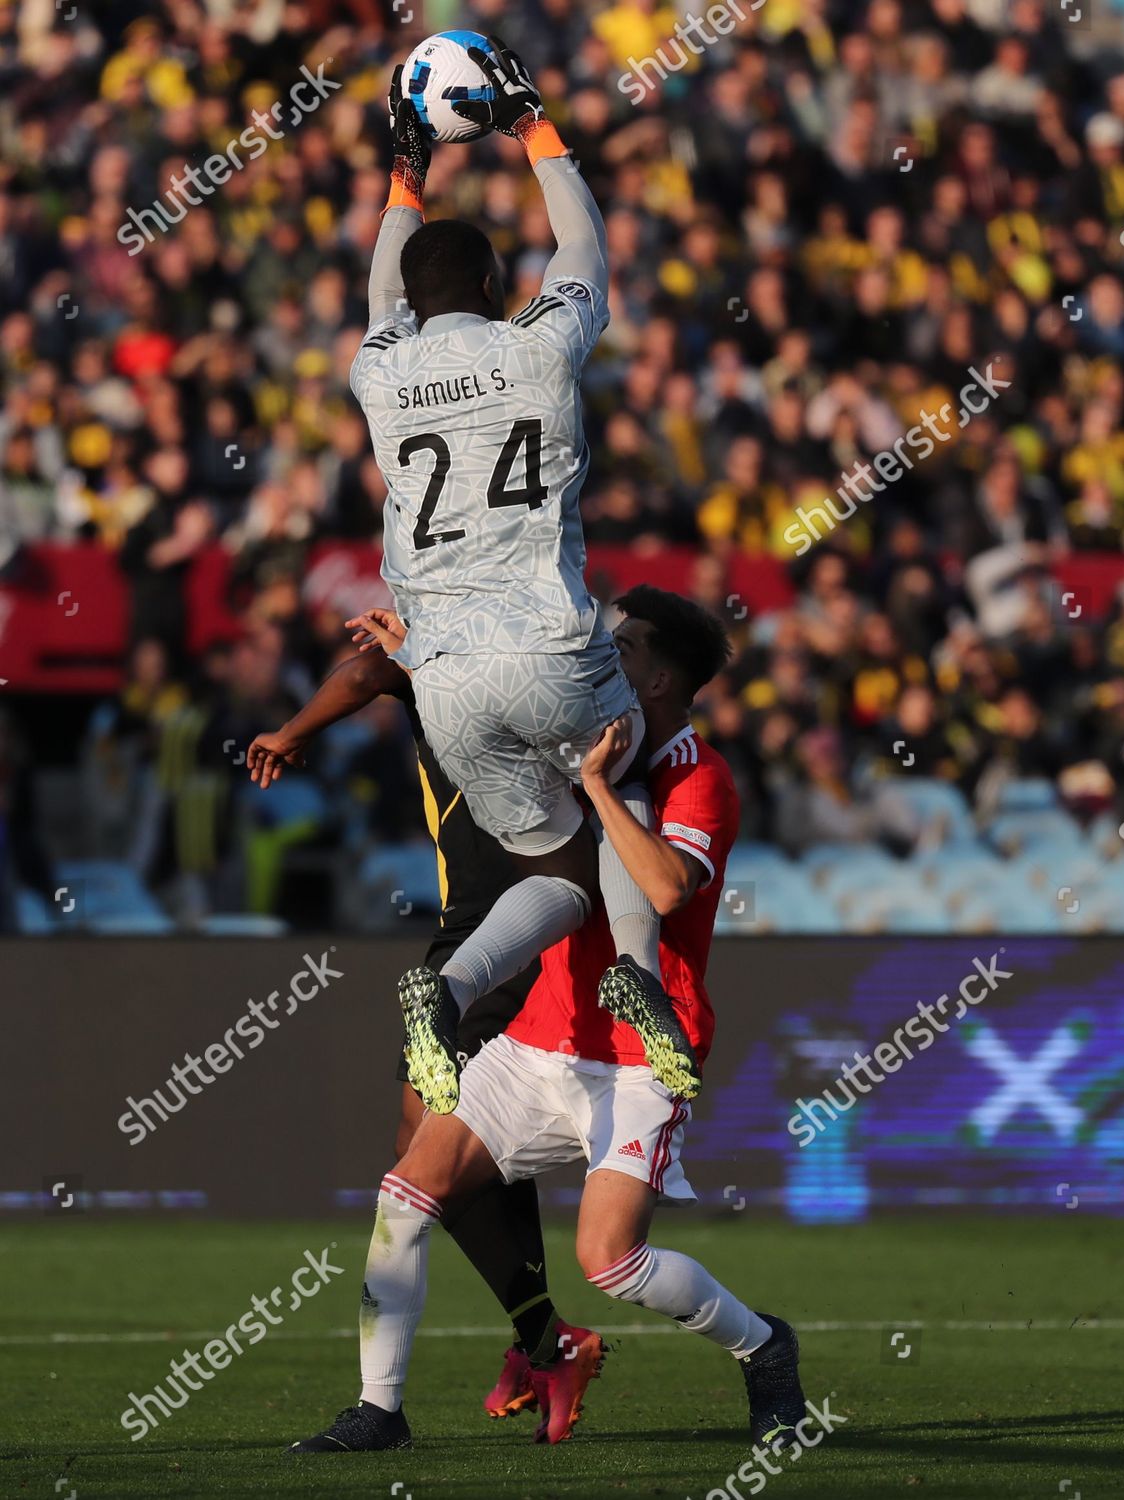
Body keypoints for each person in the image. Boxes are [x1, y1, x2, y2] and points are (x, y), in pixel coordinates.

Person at [290, 587, 807, 1454]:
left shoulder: (698, 775)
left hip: (644, 1055)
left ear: (662, 680)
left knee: (612, 1264)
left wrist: (600, 788)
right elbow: (496, 711)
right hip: (542, 1035)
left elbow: (669, 889)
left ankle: (764, 1346)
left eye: (629, 647)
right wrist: (422, 660)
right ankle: (380, 1411)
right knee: (404, 1198)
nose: (609, 655)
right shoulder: (585, 738)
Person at [349, 36, 699, 1117]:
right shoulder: (540, 348)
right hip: (549, 644)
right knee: (623, 779)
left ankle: (448, 992)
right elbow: (586, 243)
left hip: (444, 681)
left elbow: (383, 294)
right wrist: (534, 125)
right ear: (503, 285)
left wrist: (404, 177)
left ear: (411, 301)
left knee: (550, 863)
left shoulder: (380, 372)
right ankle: (637, 977)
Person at [246, 637, 596, 1426]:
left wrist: (292, 730)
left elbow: (367, 673)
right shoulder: (529, 655)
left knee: (435, 1145)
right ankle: (543, 1344)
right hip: (489, 920)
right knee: (446, 1142)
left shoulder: (447, 658)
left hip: (509, 925)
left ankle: (527, 1350)